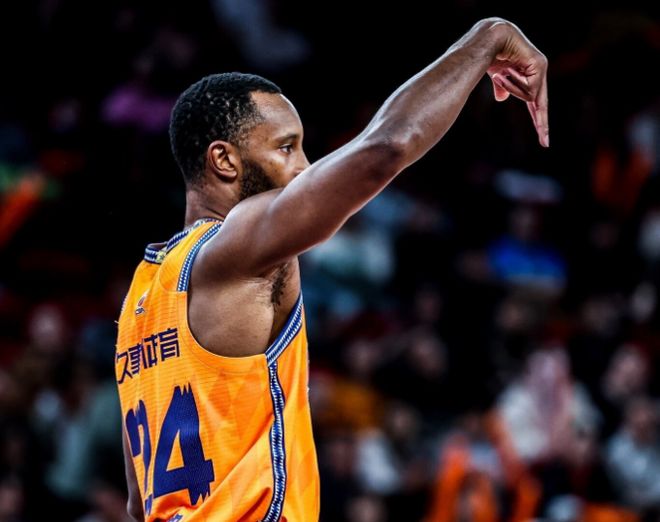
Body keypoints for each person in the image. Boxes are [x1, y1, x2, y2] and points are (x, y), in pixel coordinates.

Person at [115, 17, 549, 522]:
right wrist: (487, 39)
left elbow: (138, 502)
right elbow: (385, 147)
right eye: (285, 147)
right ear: (224, 161)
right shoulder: (235, 247)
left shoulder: (140, 302)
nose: (303, 166)